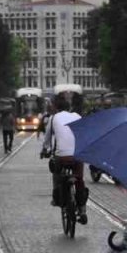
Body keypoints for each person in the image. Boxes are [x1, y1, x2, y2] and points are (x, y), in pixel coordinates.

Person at [42, 94, 88, 224]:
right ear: (69, 108)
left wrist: (45, 149)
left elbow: (47, 138)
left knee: (57, 175)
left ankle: (57, 199)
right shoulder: (78, 116)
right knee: (79, 179)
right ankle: (83, 210)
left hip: (62, 156)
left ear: (56, 107)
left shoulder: (53, 117)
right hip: (78, 155)